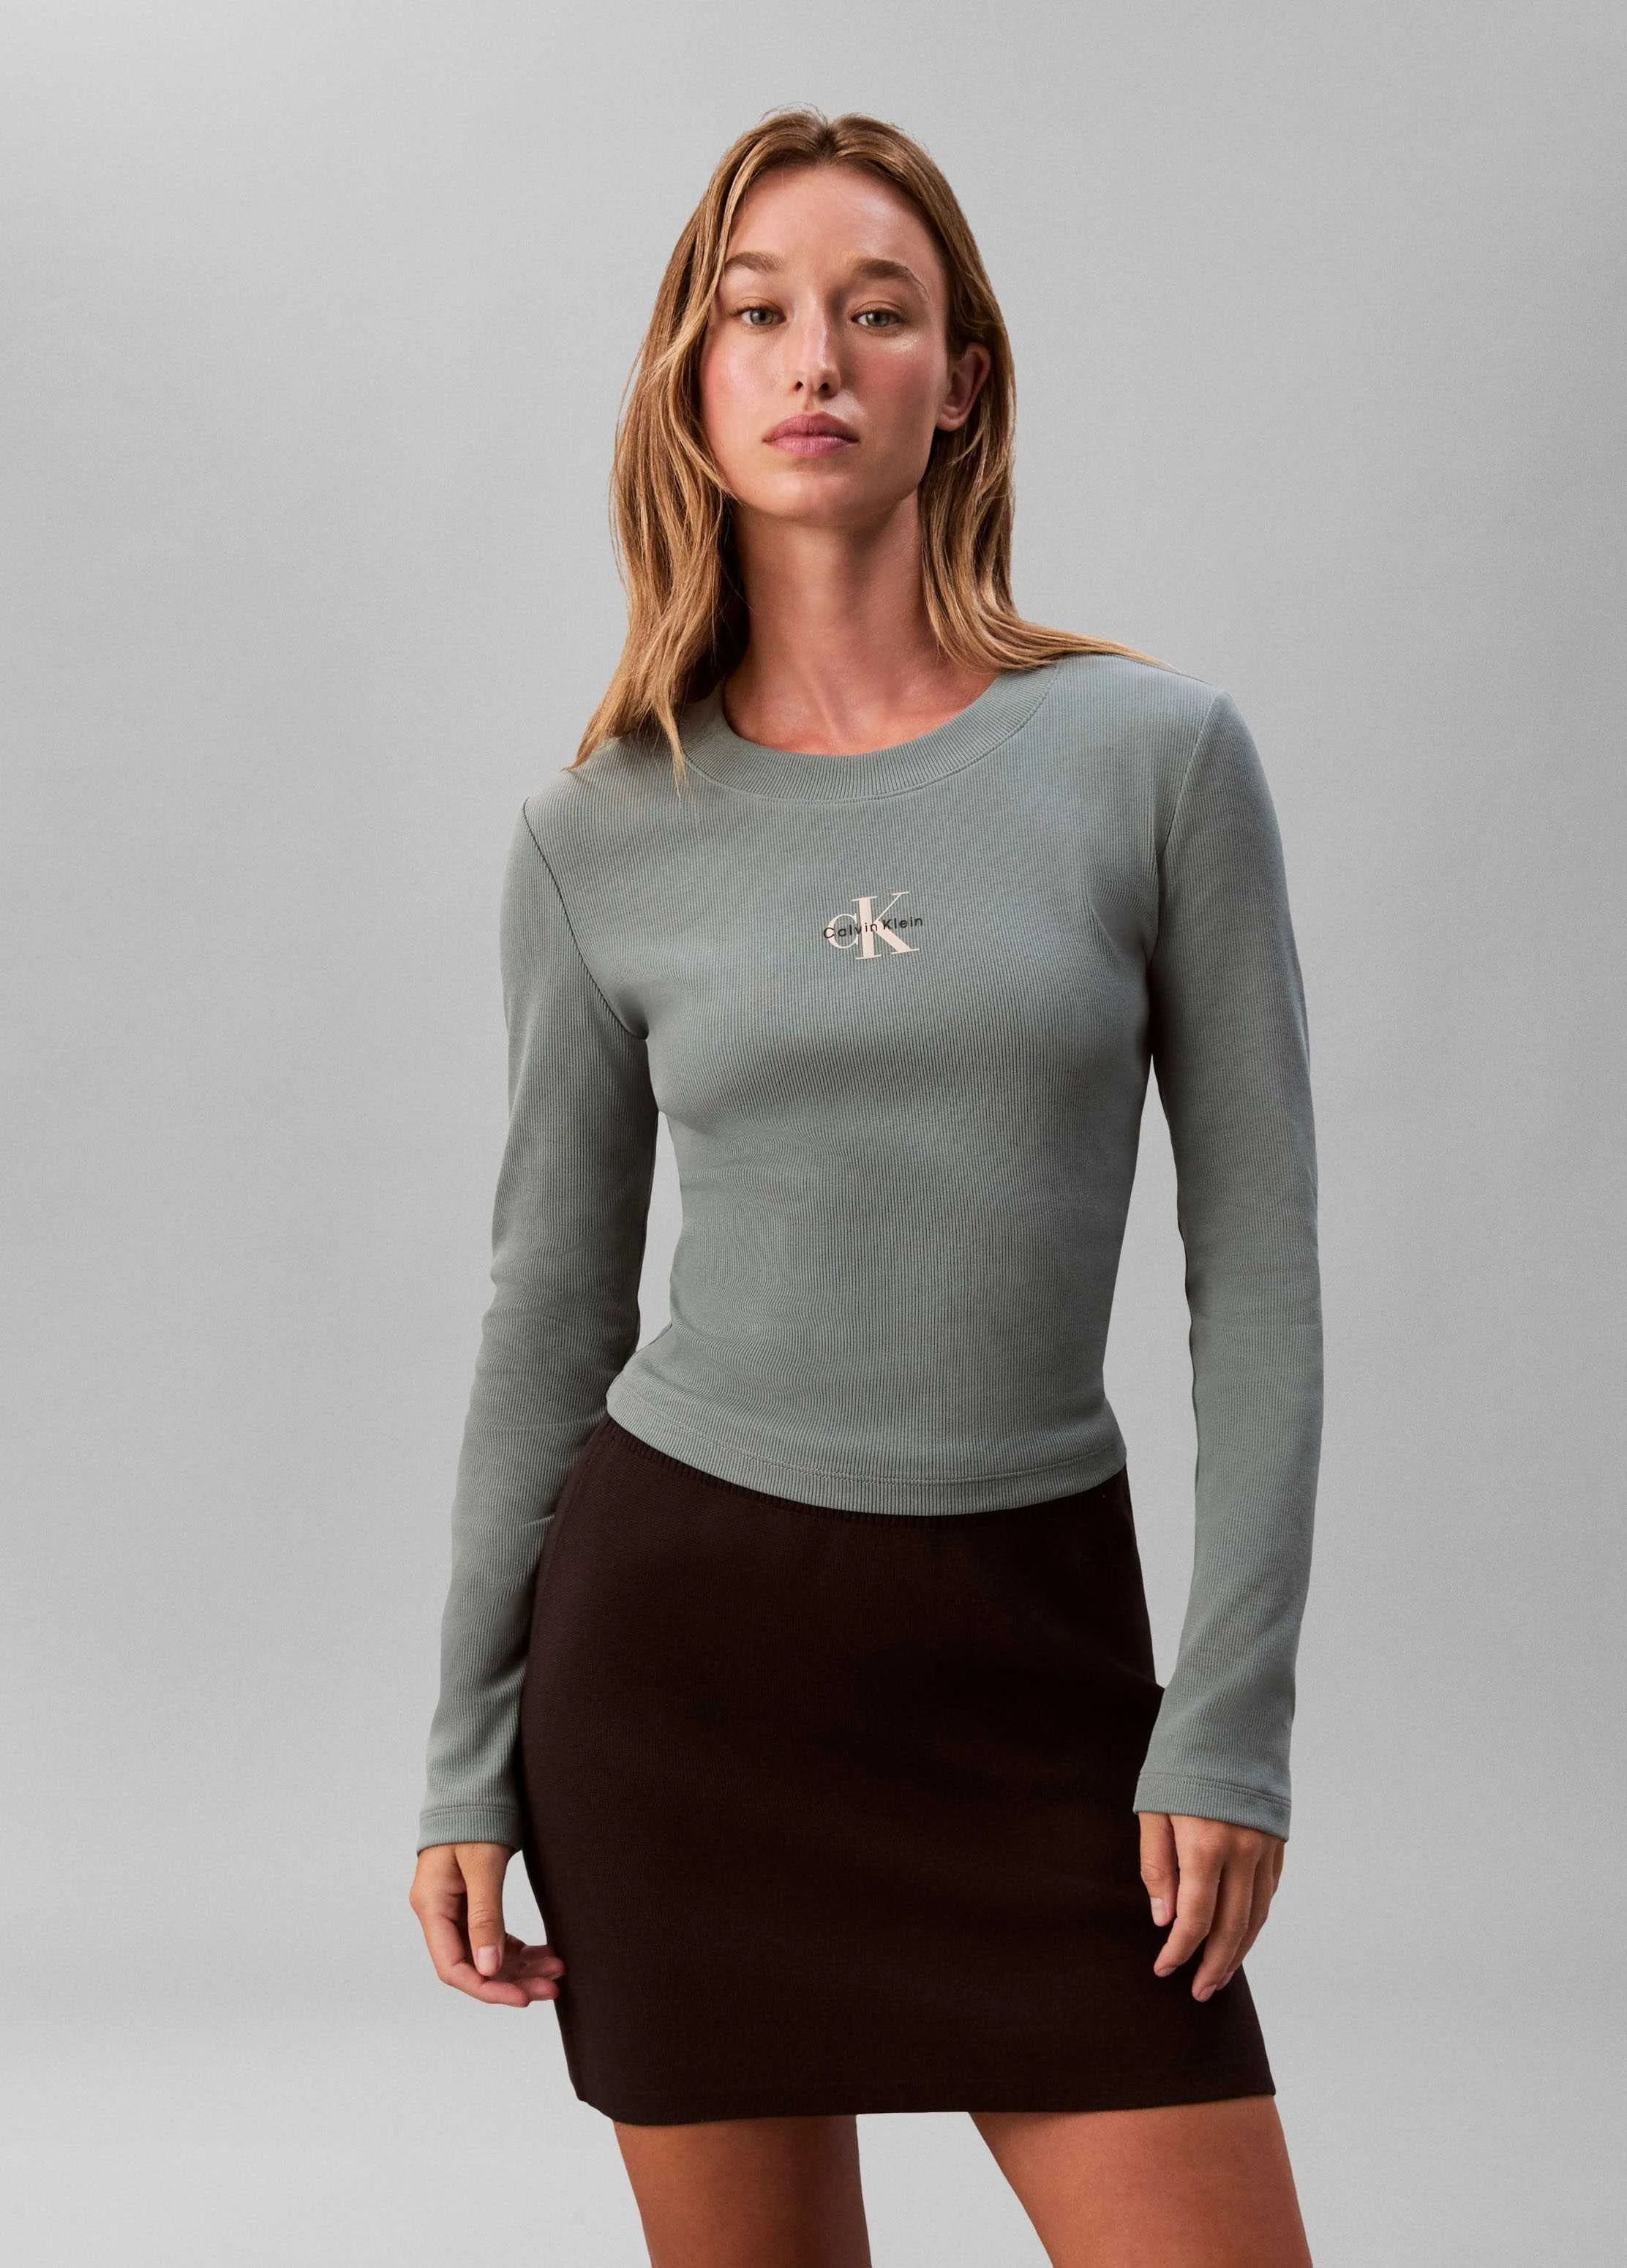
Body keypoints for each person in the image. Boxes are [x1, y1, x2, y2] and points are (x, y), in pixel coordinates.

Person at [409, 105, 1322, 2268]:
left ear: (960, 380)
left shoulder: (1153, 758)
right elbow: (552, 1311)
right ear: (693, 384)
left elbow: (1262, 1277)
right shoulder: (599, 835)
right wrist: (465, 1750)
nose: (814, 354)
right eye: (757, 314)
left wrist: (1230, 1715)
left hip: (1035, 1657)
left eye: (876, 310)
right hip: (680, 1677)